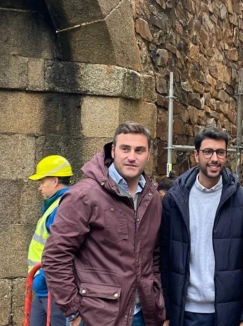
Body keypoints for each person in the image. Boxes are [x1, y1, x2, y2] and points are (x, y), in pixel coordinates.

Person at [42, 122, 165, 326]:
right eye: (125, 149)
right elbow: (55, 256)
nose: (132, 157)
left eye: (139, 150)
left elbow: (154, 256)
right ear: (113, 151)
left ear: (148, 155)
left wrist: (158, 302)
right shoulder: (85, 195)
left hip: (143, 314)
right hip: (96, 317)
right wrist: (73, 311)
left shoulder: (152, 198)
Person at [160, 127, 243, 326]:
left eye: (220, 152)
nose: (214, 158)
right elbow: (164, 258)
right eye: (208, 152)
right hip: (185, 311)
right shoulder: (175, 199)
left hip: (228, 313)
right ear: (196, 155)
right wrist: (166, 312)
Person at [27, 155, 73, 326]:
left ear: (54, 181)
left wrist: (42, 279)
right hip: (44, 288)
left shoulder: (63, 206)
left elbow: (62, 250)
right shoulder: (56, 204)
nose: (39, 187)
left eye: (42, 181)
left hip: (52, 289)